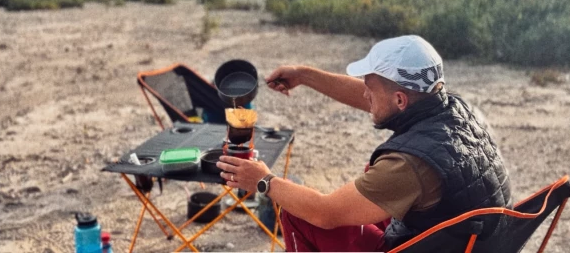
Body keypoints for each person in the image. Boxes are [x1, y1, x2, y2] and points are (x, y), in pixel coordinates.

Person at [217, 35, 512, 251]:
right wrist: (304, 75)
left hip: (425, 245)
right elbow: (373, 96)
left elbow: (325, 212)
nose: (365, 95)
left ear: (400, 100)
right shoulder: (455, 110)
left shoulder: (410, 165)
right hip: (461, 241)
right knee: (371, 172)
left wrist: (264, 181)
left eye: (370, 88)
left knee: (301, 212)